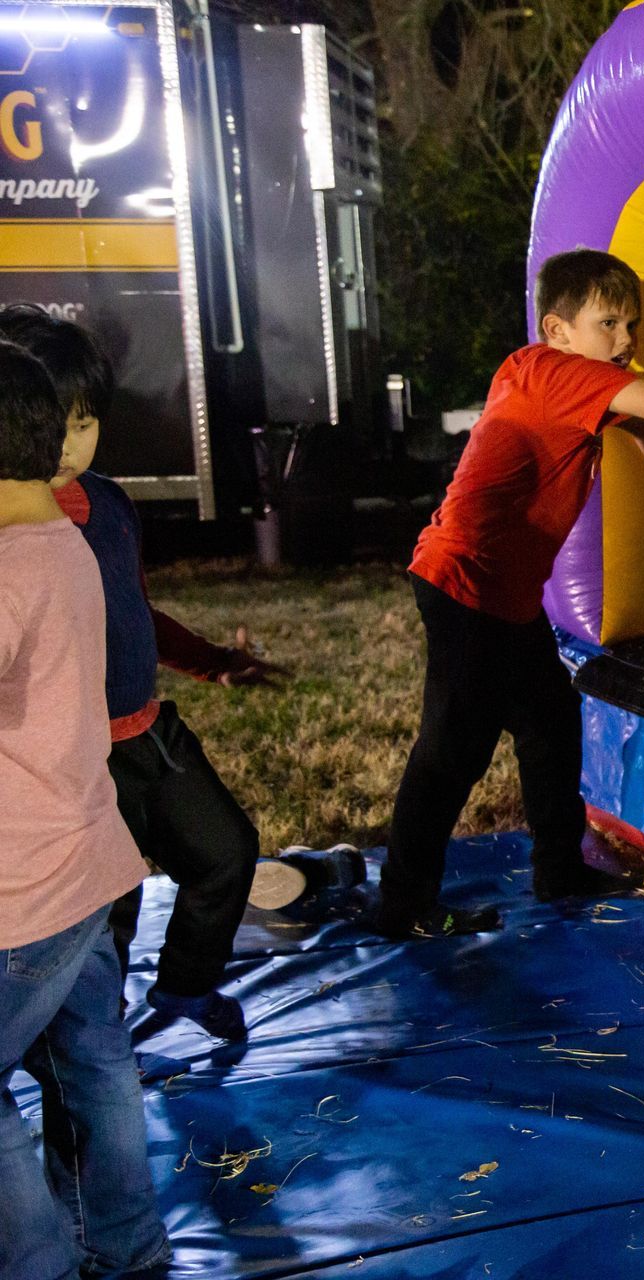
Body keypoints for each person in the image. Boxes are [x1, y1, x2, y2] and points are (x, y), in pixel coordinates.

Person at [372, 248, 644, 939]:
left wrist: (639, 429)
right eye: (609, 323)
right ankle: (402, 903)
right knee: (453, 749)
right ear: (557, 328)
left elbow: (637, 415)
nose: (626, 341)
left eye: (632, 324)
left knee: (549, 719)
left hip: (506, 596)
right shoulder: (550, 369)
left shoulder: (551, 376)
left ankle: (558, 868)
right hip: (463, 584)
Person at [0, 305, 276, 1044]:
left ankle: (186, 986)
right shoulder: (14, 533)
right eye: (50, 421)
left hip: (151, 736)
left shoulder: (112, 505)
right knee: (100, 920)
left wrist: (213, 662)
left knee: (226, 853)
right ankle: (95, 1051)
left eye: (83, 422)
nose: (65, 443)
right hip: (78, 767)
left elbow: (133, 612)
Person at [0, 340, 170, 1280]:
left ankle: (37, 1262)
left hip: (19, 892)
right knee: (98, 1068)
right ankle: (129, 1246)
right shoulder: (63, 542)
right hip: (86, 865)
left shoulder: (7, 573)